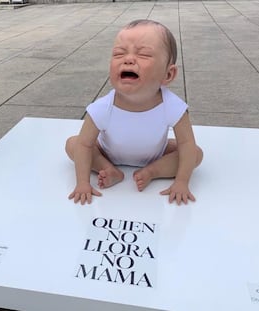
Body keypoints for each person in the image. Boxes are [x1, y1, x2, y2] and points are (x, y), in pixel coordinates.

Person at [65, 19, 203, 205]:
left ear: (168, 75)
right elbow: (84, 145)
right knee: (73, 143)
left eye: (144, 54)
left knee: (195, 152)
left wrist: (181, 182)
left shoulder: (173, 106)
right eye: (118, 53)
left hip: (155, 155)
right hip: (107, 154)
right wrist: (82, 183)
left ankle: (152, 171)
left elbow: (186, 143)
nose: (128, 59)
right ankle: (108, 169)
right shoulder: (103, 107)